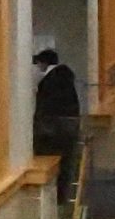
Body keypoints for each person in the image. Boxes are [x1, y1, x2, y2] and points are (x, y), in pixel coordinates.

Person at [31, 47, 83, 201]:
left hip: (53, 126)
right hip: (71, 123)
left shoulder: (49, 80)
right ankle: (63, 195)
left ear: (44, 63)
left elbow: (45, 106)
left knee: (49, 158)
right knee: (67, 161)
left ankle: (58, 196)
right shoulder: (66, 77)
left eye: (39, 63)